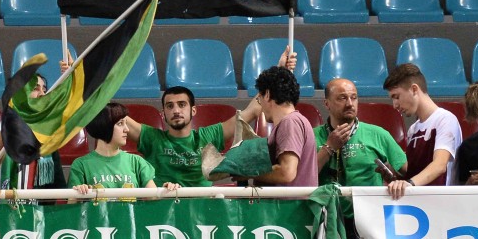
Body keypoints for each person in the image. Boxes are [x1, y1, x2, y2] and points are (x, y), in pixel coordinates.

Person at [125, 46, 297, 188]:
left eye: (182, 104)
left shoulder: (208, 136)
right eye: (170, 106)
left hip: (202, 210)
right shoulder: (152, 138)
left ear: (193, 111)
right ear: (163, 114)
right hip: (163, 209)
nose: (176, 110)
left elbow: (252, 110)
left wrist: (280, 73)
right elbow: (117, 116)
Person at [382, 63, 463, 199]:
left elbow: (439, 165)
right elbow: (415, 175)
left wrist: (409, 184)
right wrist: (395, 178)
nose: (395, 105)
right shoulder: (413, 129)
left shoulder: (445, 119)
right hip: (419, 204)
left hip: (442, 203)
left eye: (396, 96)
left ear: (414, 89)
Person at [0, 72, 65, 192]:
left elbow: (60, 189)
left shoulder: (46, 136)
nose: (42, 94)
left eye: (44, 90)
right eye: (36, 89)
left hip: (37, 204)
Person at [315, 78, 407, 190]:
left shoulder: (378, 134)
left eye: (354, 98)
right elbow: (301, 178)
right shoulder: (312, 136)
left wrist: (393, 178)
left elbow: (409, 174)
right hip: (325, 201)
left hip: (367, 201)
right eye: (342, 98)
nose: (349, 104)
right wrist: (328, 148)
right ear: (327, 104)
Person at [69, 102, 178, 195]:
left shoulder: (137, 162)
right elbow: (71, 207)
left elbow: (154, 198)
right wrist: (79, 193)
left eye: (125, 123)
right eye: (120, 123)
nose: (127, 129)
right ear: (103, 125)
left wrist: (167, 190)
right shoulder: (80, 165)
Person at [250, 66, 318, 187]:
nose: (261, 106)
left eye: (259, 99)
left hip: (291, 200)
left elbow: (287, 173)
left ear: (267, 95)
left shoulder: (289, 123)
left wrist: (247, 172)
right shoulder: (294, 121)